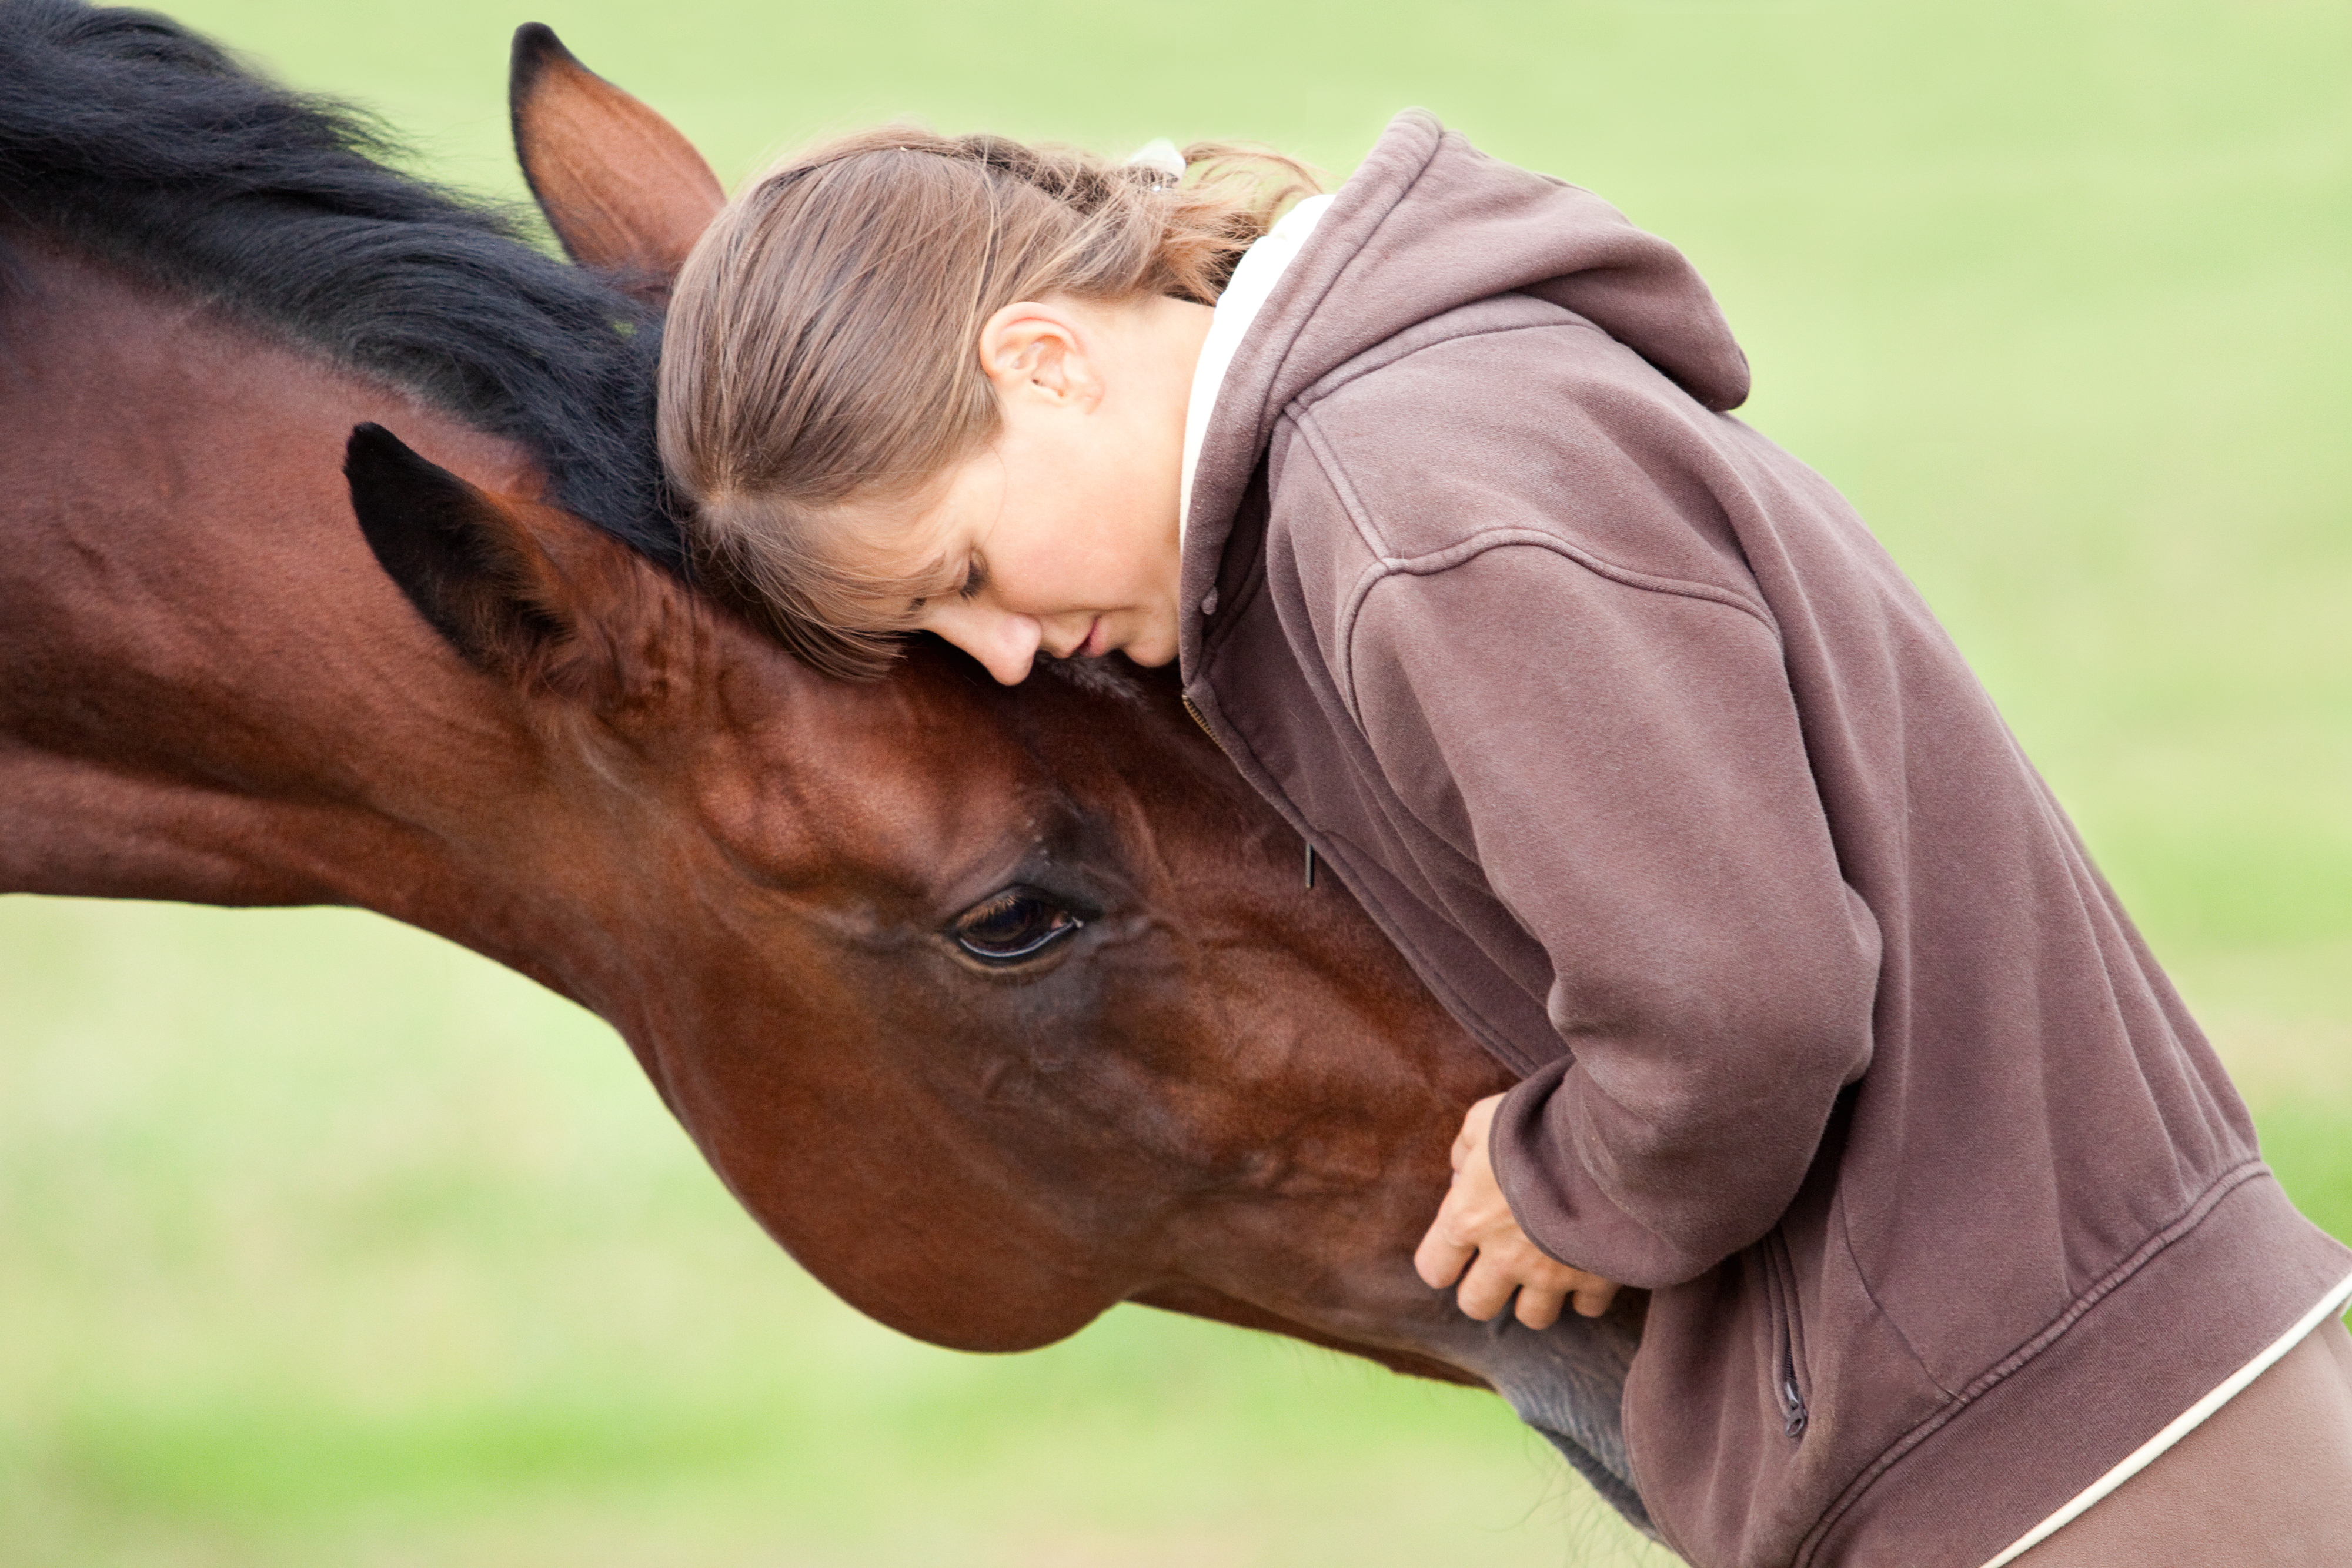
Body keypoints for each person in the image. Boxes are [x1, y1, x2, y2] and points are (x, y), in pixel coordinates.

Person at [653, 116, 2352, 1565]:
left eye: (958, 573)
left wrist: (1568, 1186)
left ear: (1042, 357)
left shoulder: (1398, 508)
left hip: (2060, 1472)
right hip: (2109, 1414)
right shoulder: (1420, 427)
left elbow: (1742, 1008)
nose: (1008, 652)